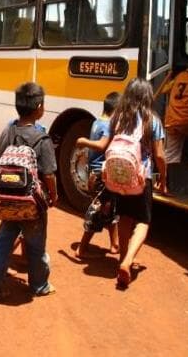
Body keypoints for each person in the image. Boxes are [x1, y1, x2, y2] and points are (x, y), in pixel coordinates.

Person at [76, 78, 166, 289]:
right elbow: (160, 155)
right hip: (141, 178)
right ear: (148, 97)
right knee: (143, 222)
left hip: (117, 177)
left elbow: (104, 146)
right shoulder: (151, 121)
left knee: (124, 217)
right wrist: (163, 177)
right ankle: (127, 261)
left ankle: (123, 259)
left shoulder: (117, 118)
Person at [0, 82, 59, 302]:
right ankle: (39, 285)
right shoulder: (42, 139)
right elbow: (49, 174)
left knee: (3, 241)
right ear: (40, 107)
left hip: (7, 200)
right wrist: (53, 195)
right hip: (32, 204)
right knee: (36, 245)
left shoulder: (8, 131)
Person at [74, 91, 121, 259]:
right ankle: (82, 248)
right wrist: (83, 141)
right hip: (101, 175)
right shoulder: (108, 125)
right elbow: (101, 146)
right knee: (99, 209)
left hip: (96, 173)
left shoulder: (96, 122)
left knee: (111, 208)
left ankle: (115, 244)